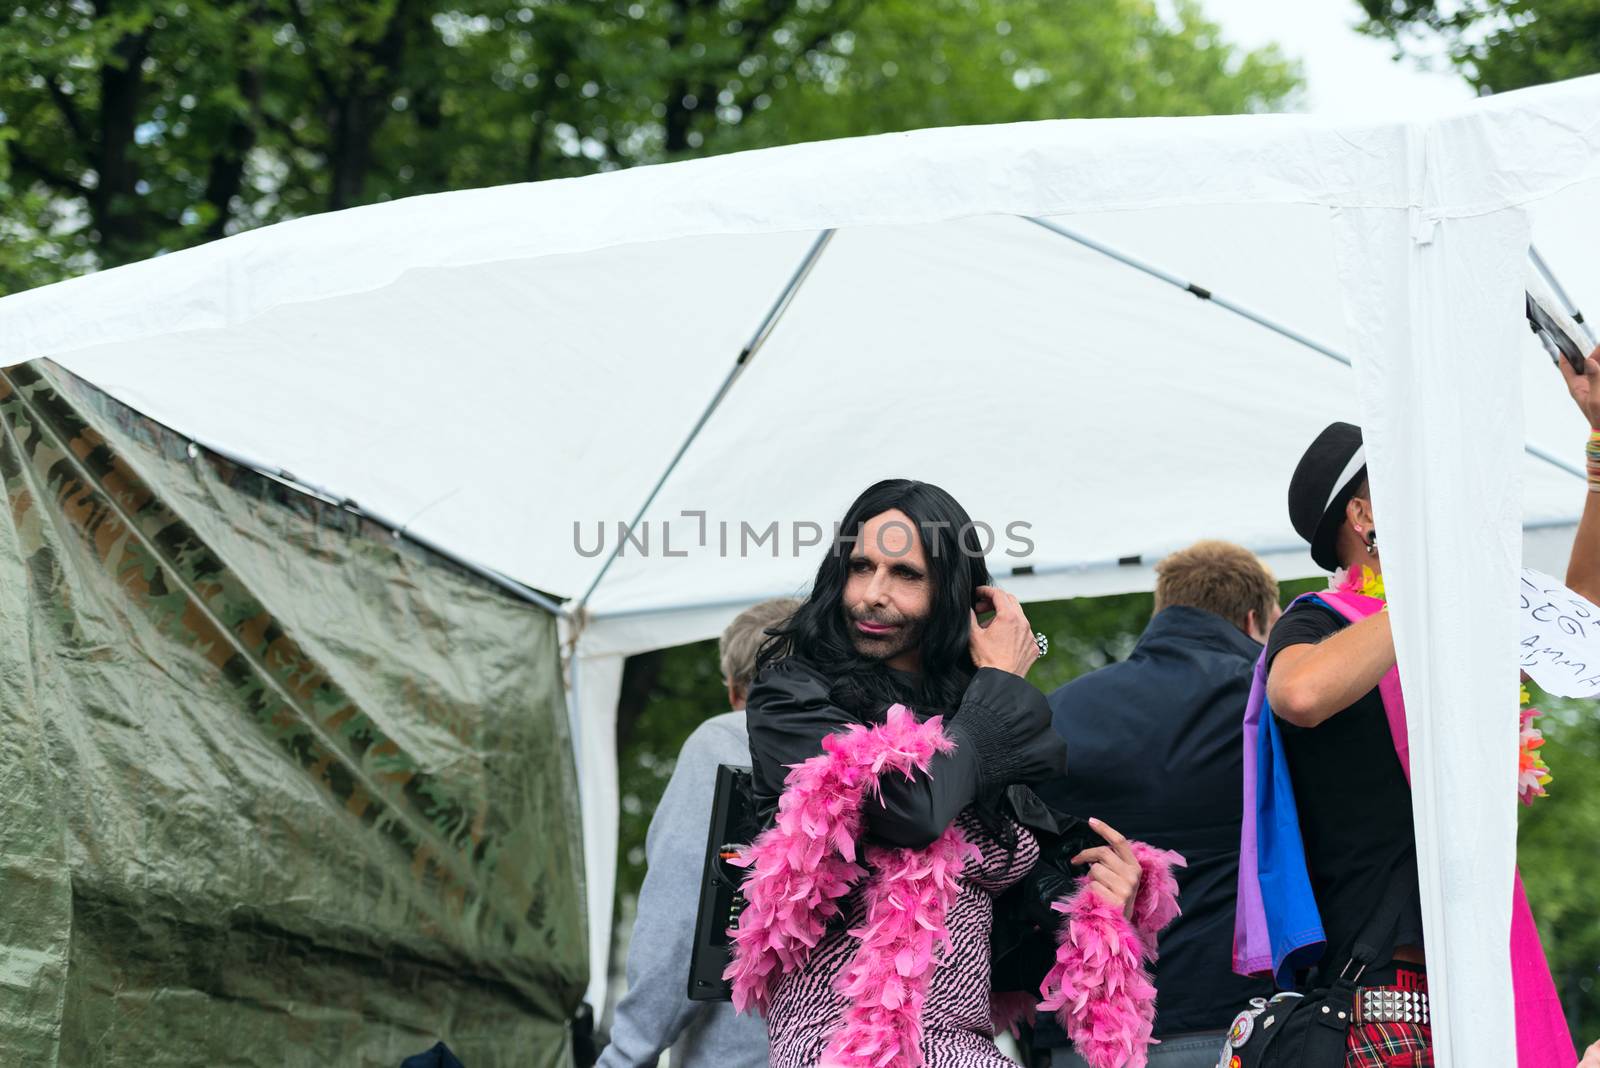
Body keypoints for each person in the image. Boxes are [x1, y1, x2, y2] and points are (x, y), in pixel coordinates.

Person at [727, 479, 1183, 1068]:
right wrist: (1001, 688)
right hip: (844, 1043)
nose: (873, 594)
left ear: (955, 593)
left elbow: (1026, 907)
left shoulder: (973, 717)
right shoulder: (795, 692)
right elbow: (910, 809)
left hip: (962, 1044)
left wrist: (1103, 896)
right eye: (860, 567)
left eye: (906, 575)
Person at [1234, 344, 1600, 1068]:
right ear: (1364, 512)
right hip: (1384, 993)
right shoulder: (1318, 621)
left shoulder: (1451, 618)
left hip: (1472, 986)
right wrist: (1435, 580)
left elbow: (1580, 614)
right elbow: (1299, 694)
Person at [1033, 541, 1282, 1067]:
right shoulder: (1267, 703)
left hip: (1084, 1026)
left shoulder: (1058, 711)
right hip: (1229, 1018)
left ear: (1162, 611)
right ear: (1254, 619)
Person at [597, 597, 801, 1068]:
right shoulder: (879, 755)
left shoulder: (727, 739)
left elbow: (678, 926)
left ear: (735, 691)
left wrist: (625, 1057)